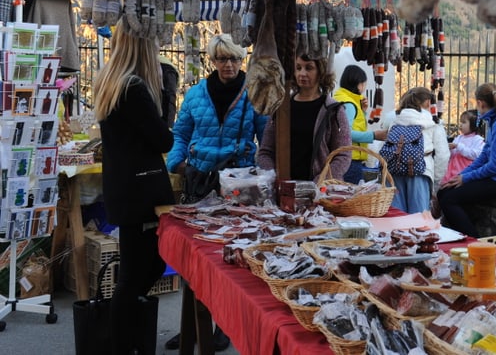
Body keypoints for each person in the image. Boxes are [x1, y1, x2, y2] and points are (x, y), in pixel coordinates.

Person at [164, 34, 267, 352]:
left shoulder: (254, 96)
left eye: (235, 59)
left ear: (241, 60)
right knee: (196, 255)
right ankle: (193, 325)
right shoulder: (195, 95)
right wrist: (176, 162)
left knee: (233, 256)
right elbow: (180, 132)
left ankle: (225, 324)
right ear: (213, 61)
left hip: (239, 180)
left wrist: (264, 174)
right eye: (223, 59)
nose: (229, 65)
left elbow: (266, 138)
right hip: (199, 178)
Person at [93, 19, 175, 355]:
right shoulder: (133, 89)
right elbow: (163, 139)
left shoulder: (108, 82)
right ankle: (123, 343)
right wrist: (168, 94)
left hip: (123, 189)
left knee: (139, 268)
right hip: (142, 194)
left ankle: (126, 340)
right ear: (143, 46)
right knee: (139, 271)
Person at [438, 83, 496, 237]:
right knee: (444, 191)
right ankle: (463, 232)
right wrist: (460, 176)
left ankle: (472, 240)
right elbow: (484, 155)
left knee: (449, 200)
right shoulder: (493, 122)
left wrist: (466, 178)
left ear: (479, 103)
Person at [257, 53, 351, 180]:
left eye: (309, 68)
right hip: (283, 190)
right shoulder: (280, 108)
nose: (302, 73)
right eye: (298, 67)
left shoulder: (333, 110)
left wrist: (321, 181)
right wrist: (273, 176)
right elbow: (265, 152)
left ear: (320, 71)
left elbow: (343, 155)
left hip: (321, 192)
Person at [386, 87, 450, 213]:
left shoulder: (395, 120)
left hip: (394, 172)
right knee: (418, 221)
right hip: (421, 172)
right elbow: (443, 156)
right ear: (427, 102)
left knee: (396, 218)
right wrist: (436, 182)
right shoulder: (433, 122)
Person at [332, 64, 387, 184]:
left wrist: (362, 111)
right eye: (364, 84)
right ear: (358, 84)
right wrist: (374, 135)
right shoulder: (349, 104)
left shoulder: (339, 98)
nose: (364, 88)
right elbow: (347, 133)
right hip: (350, 159)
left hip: (341, 157)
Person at [440, 109, 484, 186]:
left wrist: (458, 146)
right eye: (460, 122)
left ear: (473, 124)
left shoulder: (478, 139)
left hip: (465, 172)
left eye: (464, 122)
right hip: (451, 169)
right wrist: (449, 149)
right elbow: (453, 154)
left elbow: (476, 155)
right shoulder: (459, 138)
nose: (461, 124)